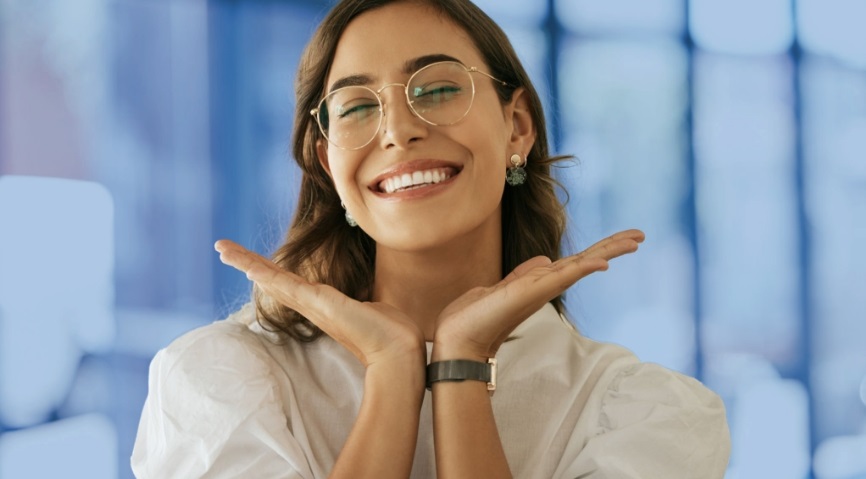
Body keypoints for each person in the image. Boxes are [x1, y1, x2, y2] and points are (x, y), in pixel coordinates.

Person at [131, 0, 731, 477]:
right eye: (356, 107)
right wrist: (392, 371)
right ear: (327, 163)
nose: (397, 130)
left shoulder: (643, 414)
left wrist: (461, 367)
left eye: (439, 89)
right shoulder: (217, 383)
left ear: (516, 127)